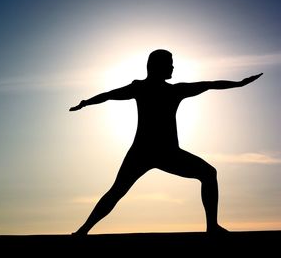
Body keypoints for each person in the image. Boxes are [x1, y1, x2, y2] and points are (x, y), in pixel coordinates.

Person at [69, 49, 263, 235]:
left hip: (159, 152)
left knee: (207, 174)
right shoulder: (156, 89)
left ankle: (82, 231)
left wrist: (239, 84)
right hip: (151, 152)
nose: (172, 68)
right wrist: (86, 102)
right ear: (157, 66)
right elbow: (110, 95)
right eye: (169, 64)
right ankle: (83, 231)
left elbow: (208, 84)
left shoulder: (161, 89)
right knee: (117, 191)